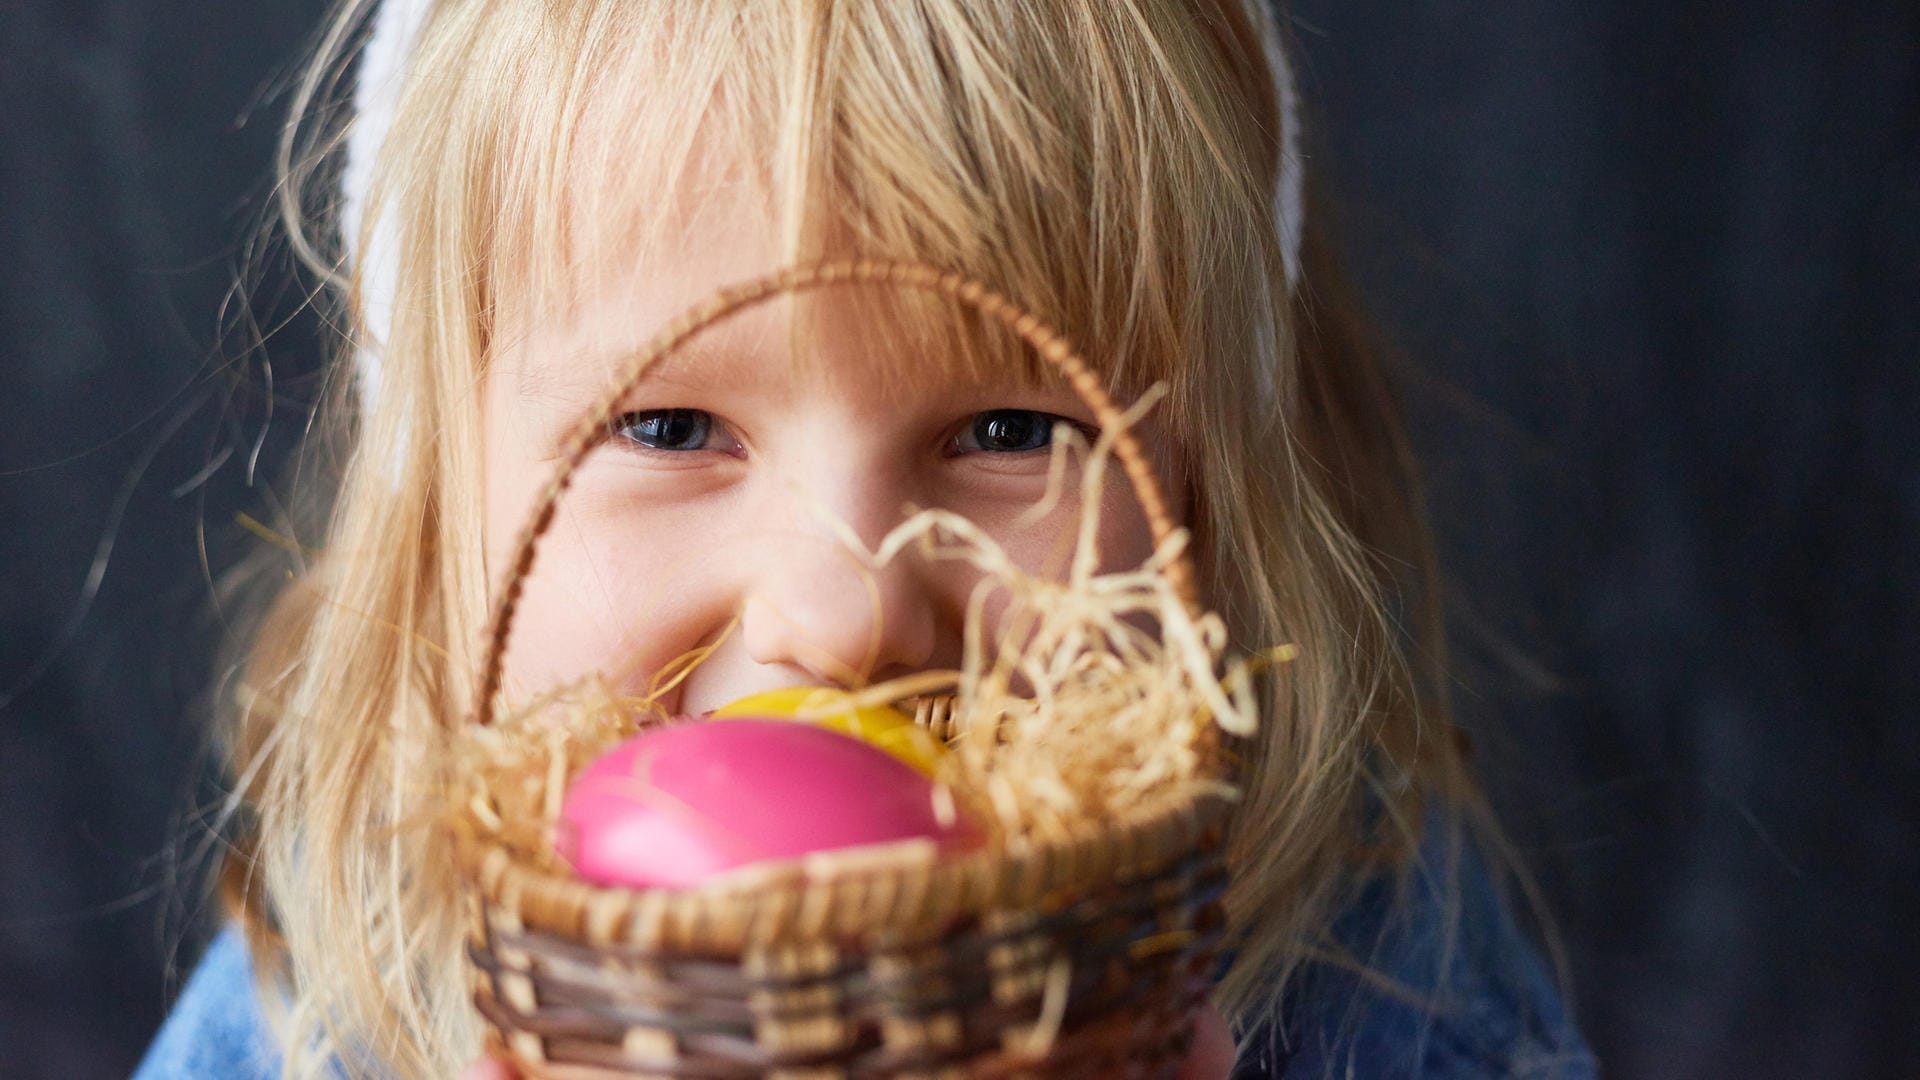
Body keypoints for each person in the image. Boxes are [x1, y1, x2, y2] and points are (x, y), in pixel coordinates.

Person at [136, 1, 1596, 1076]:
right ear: (440, 524)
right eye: (669, 430)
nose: (841, 616)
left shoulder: (1395, 980)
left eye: (1011, 434)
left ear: (1213, 510)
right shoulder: (307, 1018)